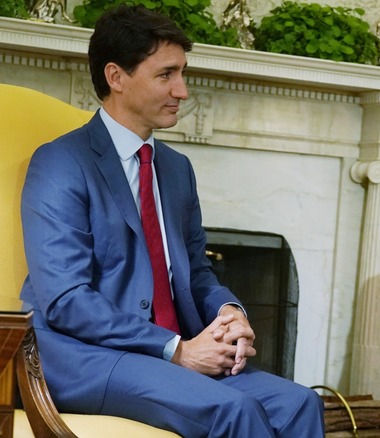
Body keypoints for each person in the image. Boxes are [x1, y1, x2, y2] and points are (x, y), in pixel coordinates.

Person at [19, 5, 324, 437]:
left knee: (301, 404)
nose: (182, 90)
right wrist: (178, 350)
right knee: (231, 410)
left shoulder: (176, 169)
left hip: (166, 351)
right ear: (116, 77)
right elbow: (66, 299)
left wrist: (229, 312)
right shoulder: (60, 162)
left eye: (182, 73)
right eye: (166, 75)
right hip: (85, 357)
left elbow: (197, 272)